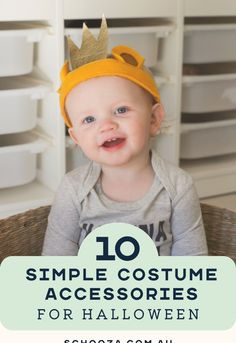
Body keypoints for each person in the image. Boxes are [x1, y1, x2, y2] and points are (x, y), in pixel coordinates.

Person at [42, 18, 208, 256]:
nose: (107, 125)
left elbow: (193, 262)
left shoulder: (178, 187)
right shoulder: (73, 189)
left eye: (121, 110)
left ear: (154, 119)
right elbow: (55, 261)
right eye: (89, 120)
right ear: (76, 138)